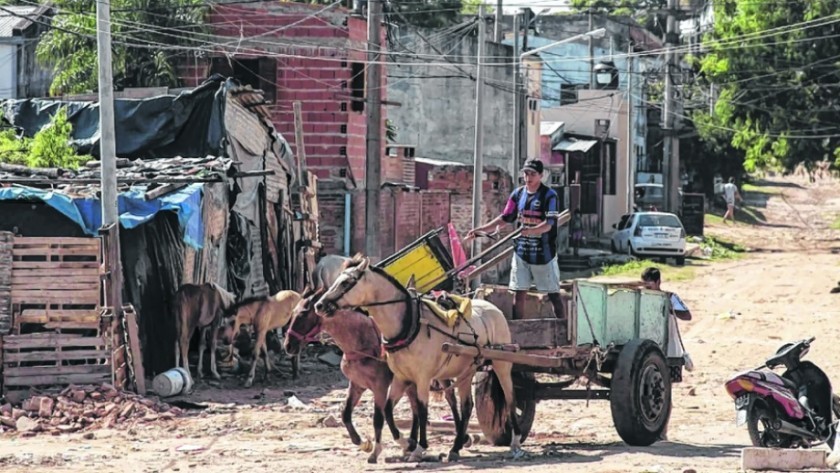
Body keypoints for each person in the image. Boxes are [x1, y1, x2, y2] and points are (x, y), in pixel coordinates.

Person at [466, 159, 570, 331]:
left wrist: (531, 230)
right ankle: (516, 332)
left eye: (532, 174)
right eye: (526, 173)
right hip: (522, 252)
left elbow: (549, 224)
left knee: (553, 295)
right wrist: (480, 229)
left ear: (541, 175)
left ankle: (563, 330)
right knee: (518, 294)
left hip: (543, 254)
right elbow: (505, 218)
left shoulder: (549, 195)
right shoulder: (518, 194)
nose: (528, 177)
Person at [640, 267, 693, 371]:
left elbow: (687, 316)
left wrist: (670, 309)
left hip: (669, 346)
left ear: (658, 282)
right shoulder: (641, 297)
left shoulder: (670, 297)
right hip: (648, 343)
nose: (647, 289)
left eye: (649, 286)